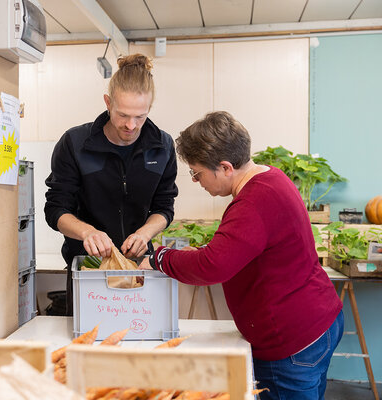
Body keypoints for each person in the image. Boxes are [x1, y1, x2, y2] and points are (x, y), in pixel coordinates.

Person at [140, 111, 343, 399]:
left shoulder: (254, 201)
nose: (197, 181)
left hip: (290, 339)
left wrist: (160, 258)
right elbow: (247, 249)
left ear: (225, 167)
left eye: (197, 174)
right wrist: (200, 252)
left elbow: (213, 267)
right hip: (317, 320)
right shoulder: (270, 178)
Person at [44, 54, 178, 316]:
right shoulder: (75, 144)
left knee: (138, 342)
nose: (131, 125)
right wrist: (86, 232)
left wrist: (145, 233)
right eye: (123, 115)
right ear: (108, 103)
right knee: (89, 344)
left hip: (140, 269)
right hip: (89, 268)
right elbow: (56, 210)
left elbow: (165, 207)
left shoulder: (162, 146)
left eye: (140, 116)